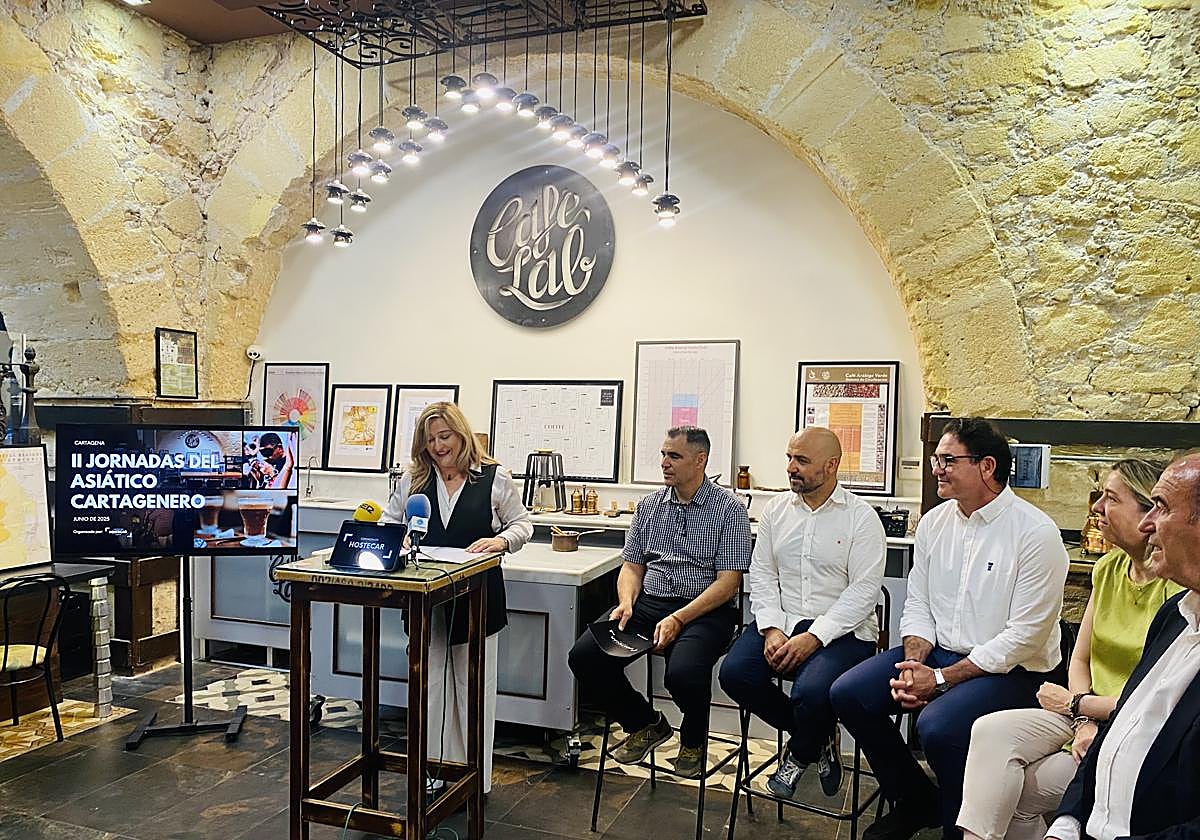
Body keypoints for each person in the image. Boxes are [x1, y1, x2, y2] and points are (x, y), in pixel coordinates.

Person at [830, 417, 1069, 840]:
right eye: (935, 459)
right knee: (849, 694)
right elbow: (919, 601)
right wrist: (913, 663)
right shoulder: (935, 522)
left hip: (1015, 672)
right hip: (939, 654)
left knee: (938, 727)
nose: (936, 468)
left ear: (987, 467)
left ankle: (961, 826)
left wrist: (939, 680)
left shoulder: (1035, 533)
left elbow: (1024, 637)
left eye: (947, 460)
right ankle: (916, 799)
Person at [958, 460, 1182, 840]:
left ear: (1148, 514)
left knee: (1019, 790)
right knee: (989, 732)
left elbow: (1155, 698)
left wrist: (1077, 706)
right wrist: (1082, 718)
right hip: (1085, 713)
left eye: (1110, 499)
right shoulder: (1109, 567)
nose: (1096, 509)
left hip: (1132, 726)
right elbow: (1079, 659)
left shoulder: (1175, 588)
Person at [568, 426, 752, 778]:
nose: (665, 463)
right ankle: (645, 723)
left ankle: (694, 741)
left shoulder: (728, 510)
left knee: (681, 674)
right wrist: (625, 601)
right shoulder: (650, 507)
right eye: (663, 454)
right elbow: (632, 566)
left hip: (705, 611)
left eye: (674, 456)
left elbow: (729, 584)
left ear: (701, 461)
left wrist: (680, 619)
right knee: (585, 657)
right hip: (649, 603)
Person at [718, 427, 885, 800]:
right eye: (790, 458)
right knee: (735, 674)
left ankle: (798, 753)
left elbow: (863, 593)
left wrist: (814, 637)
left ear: (831, 465)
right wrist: (773, 628)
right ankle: (817, 735)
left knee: (811, 692)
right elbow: (762, 574)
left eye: (802, 461)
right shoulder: (777, 511)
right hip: (784, 619)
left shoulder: (861, 518)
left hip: (844, 630)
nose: (792, 468)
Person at [380, 402, 532, 795]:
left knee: (473, 686)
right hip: (425, 598)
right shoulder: (413, 481)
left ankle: (474, 778)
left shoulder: (493, 478)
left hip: (477, 596)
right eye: (429, 439)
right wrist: (400, 540)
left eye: (444, 436)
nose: (437, 446)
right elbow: (390, 524)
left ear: (462, 435)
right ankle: (434, 771)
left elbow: (522, 524)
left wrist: (500, 540)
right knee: (429, 686)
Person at [1048, 453, 1200, 840]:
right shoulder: (1174, 616)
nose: (1148, 524)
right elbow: (1122, 728)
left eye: (1162, 508)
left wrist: (1076, 705)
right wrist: (1066, 824)